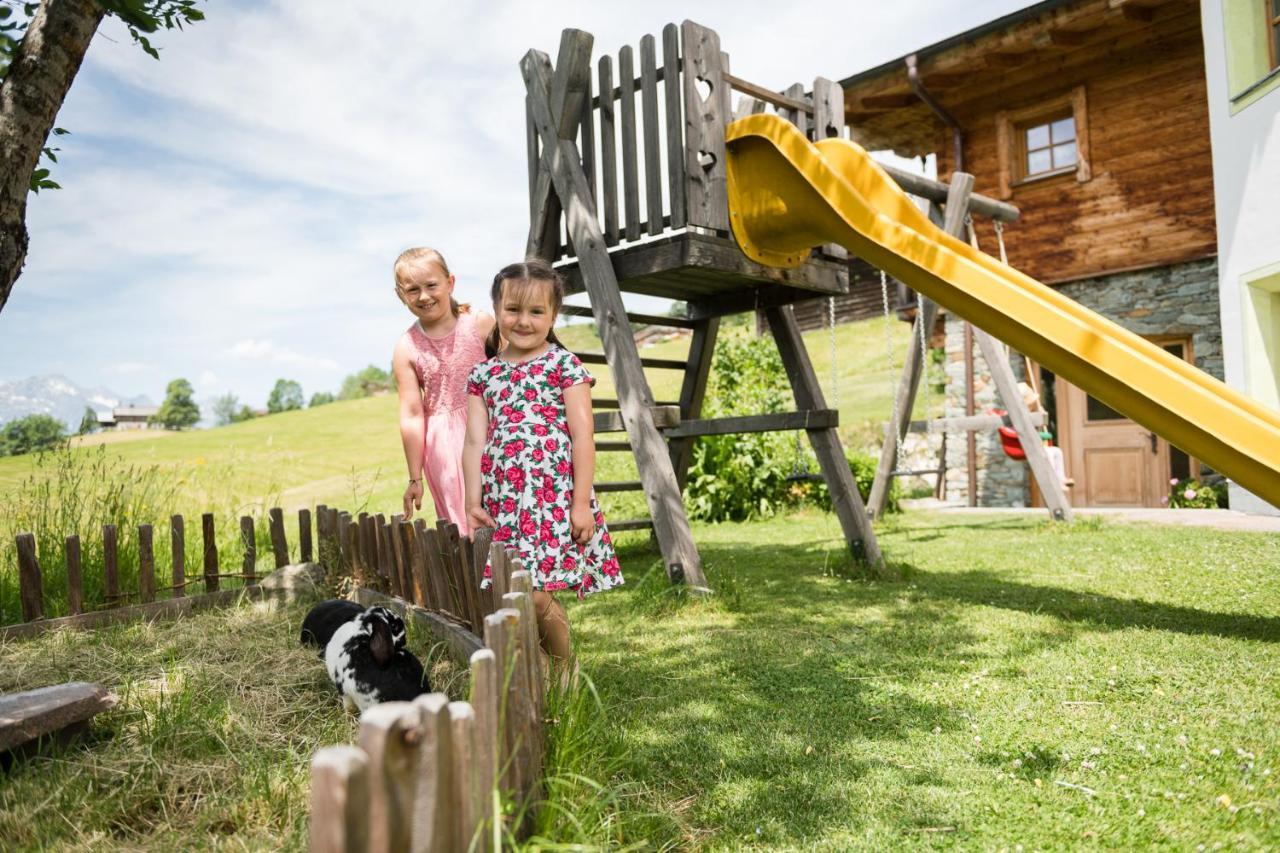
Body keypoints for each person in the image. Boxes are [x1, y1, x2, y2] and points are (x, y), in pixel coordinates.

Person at [463, 259, 622, 666]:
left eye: (536, 311)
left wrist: (581, 503)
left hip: (551, 501)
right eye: (513, 310)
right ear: (497, 310)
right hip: (507, 503)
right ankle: (540, 672)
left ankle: (564, 667)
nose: (524, 320)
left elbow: (583, 437)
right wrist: (472, 499)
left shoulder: (564, 366)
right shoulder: (484, 375)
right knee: (516, 591)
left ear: (553, 315)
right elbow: (475, 440)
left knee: (534, 595)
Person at [391, 247, 495, 532]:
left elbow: (514, 374)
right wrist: (415, 478)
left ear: (450, 283)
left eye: (431, 285)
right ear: (401, 295)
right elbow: (412, 415)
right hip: (446, 450)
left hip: (494, 430)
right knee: (467, 527)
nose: (424, 296)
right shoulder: (406, 347)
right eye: (412, 290)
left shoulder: (479, 323)